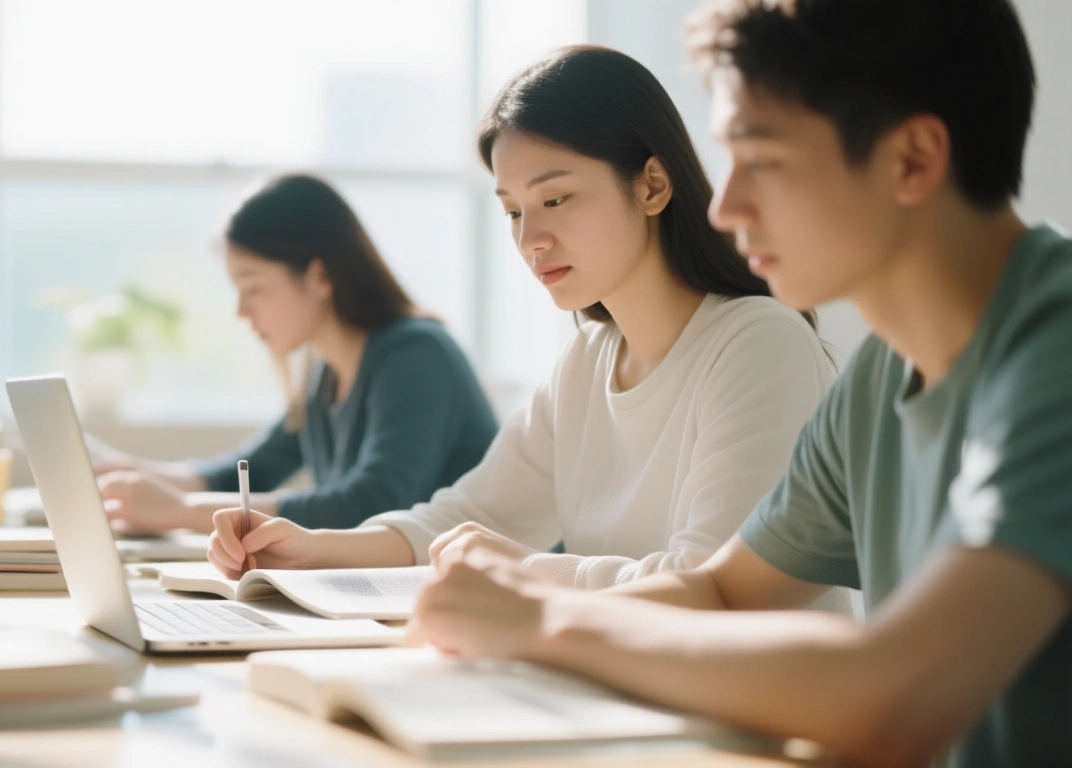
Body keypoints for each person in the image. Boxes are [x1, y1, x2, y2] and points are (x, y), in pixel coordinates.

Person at [406, 2, 1071, 766]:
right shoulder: (881, 374)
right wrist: (527, 606)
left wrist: (544, 621)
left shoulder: (1056, 346)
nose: (725, 206)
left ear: (912, 160)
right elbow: (721, 592)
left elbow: (898, 700)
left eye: (764, 161)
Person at [208, 46, 845, 602]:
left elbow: (711, 587)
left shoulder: (759, 344)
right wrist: (313, 548)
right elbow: (468, 514)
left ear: (652, 185)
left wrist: (527, 570)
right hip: (623, 699)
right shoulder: (587, 360)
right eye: (513, 211)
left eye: (555, 199)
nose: (530, 239)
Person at [92, 174, 499, 534]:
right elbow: (255, 469)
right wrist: (132, 473)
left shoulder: (415, 355)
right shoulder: (325, 373)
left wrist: (181, 511)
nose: (241, 312)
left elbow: (371, 505)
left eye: (253, 289)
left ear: (320, 275)